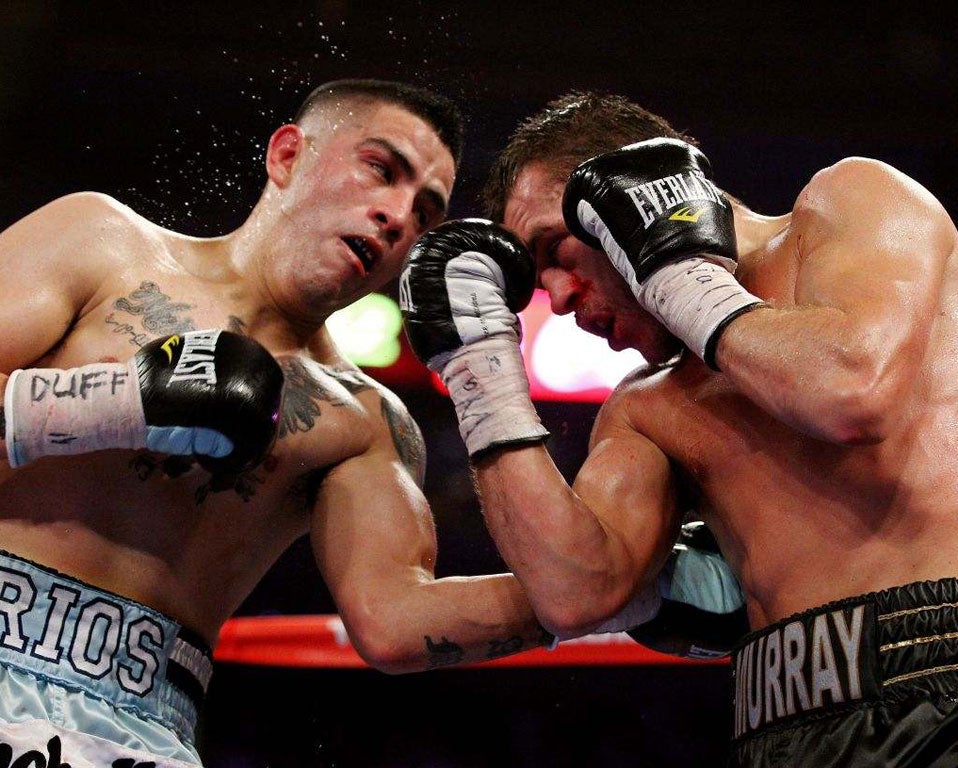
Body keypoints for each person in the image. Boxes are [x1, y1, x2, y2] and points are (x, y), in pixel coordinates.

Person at [400, 90, 958, 767]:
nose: (556, 298)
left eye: (557, 249)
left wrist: (679, 280)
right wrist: (481, 378)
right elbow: (574, 594)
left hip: (954, 692)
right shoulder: (646, 408)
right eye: (535, 281)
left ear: (633, 198)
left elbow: (853, 391)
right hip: (775, 727)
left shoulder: (851, 205)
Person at [0, 78, 561, 768]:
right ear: (288, 155)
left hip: (137, 737)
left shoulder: (365, 422)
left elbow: (395, 624)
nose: (395, 216)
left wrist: (607, 589)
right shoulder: (100, 245)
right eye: (381, 170)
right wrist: (120, 402)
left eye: (424, 211)